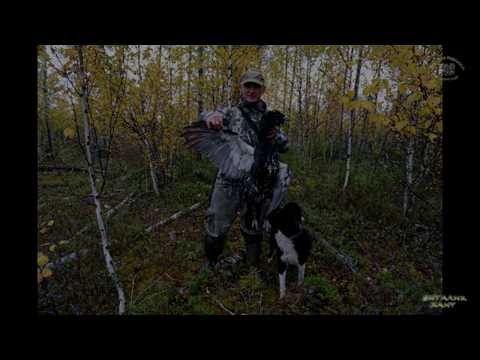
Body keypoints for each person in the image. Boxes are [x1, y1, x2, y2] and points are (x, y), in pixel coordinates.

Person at [199, 70, 291, 269]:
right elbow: (206, 115)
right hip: (229, 182)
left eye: (255, 86)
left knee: (253, 228)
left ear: (262, 90)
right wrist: (211, 116)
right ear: (241, 88)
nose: (251, 90)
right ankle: (210, 264)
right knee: (217, 225)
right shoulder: (231, 113)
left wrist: (276, 136)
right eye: (247, 86)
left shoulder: (270, 118)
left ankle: (252, 270)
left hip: (258, 185)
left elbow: (285, 144)